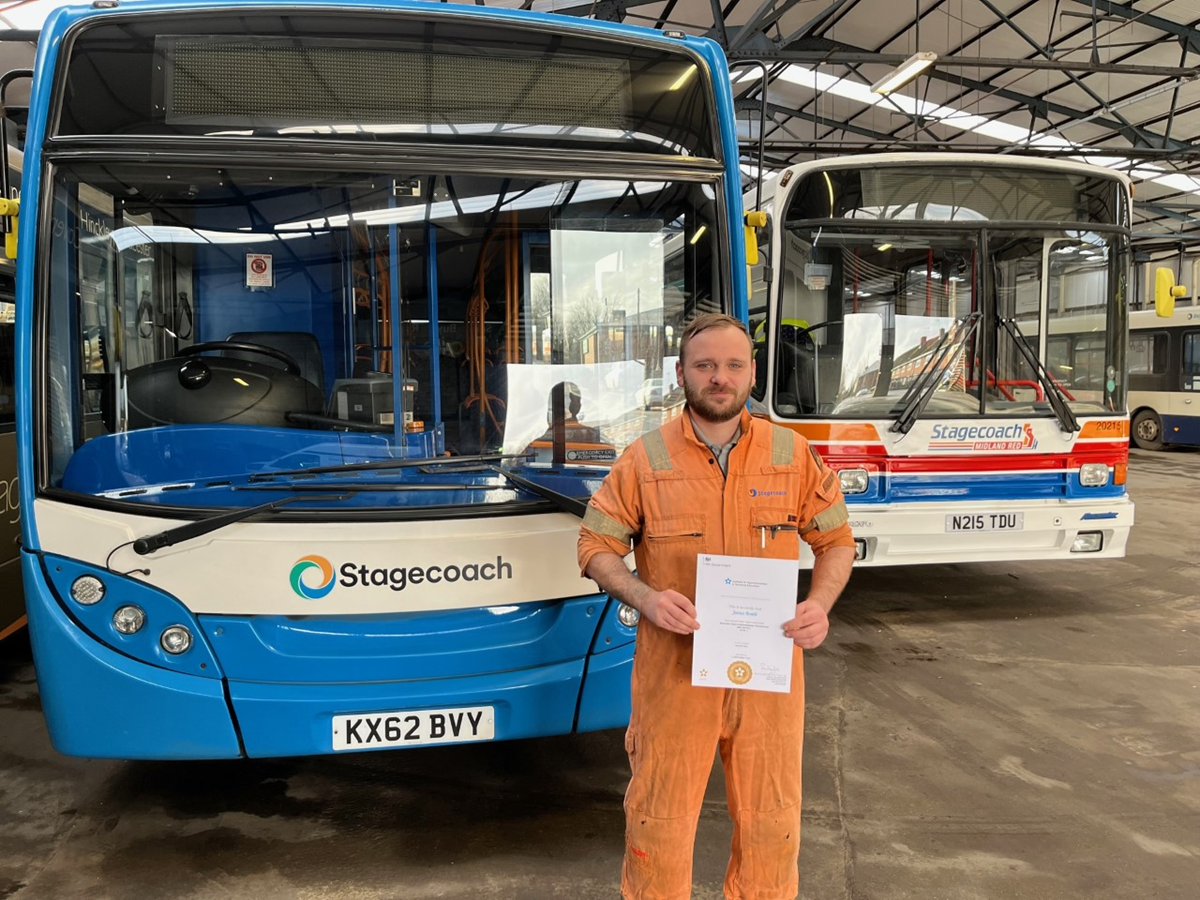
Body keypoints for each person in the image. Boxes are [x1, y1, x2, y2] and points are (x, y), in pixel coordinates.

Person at [576, 313, 856, 900]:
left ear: (752, 373)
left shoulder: (792, 455)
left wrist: (820, 604)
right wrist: (645, 597)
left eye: (733, 365)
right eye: (705, 366)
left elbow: (835, 541)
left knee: (771, 826)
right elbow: (595, 546)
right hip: (675, 680)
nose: (719, 378)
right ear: (681, 373)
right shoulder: (645, 460)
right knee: (660, 820)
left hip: (770, 681)